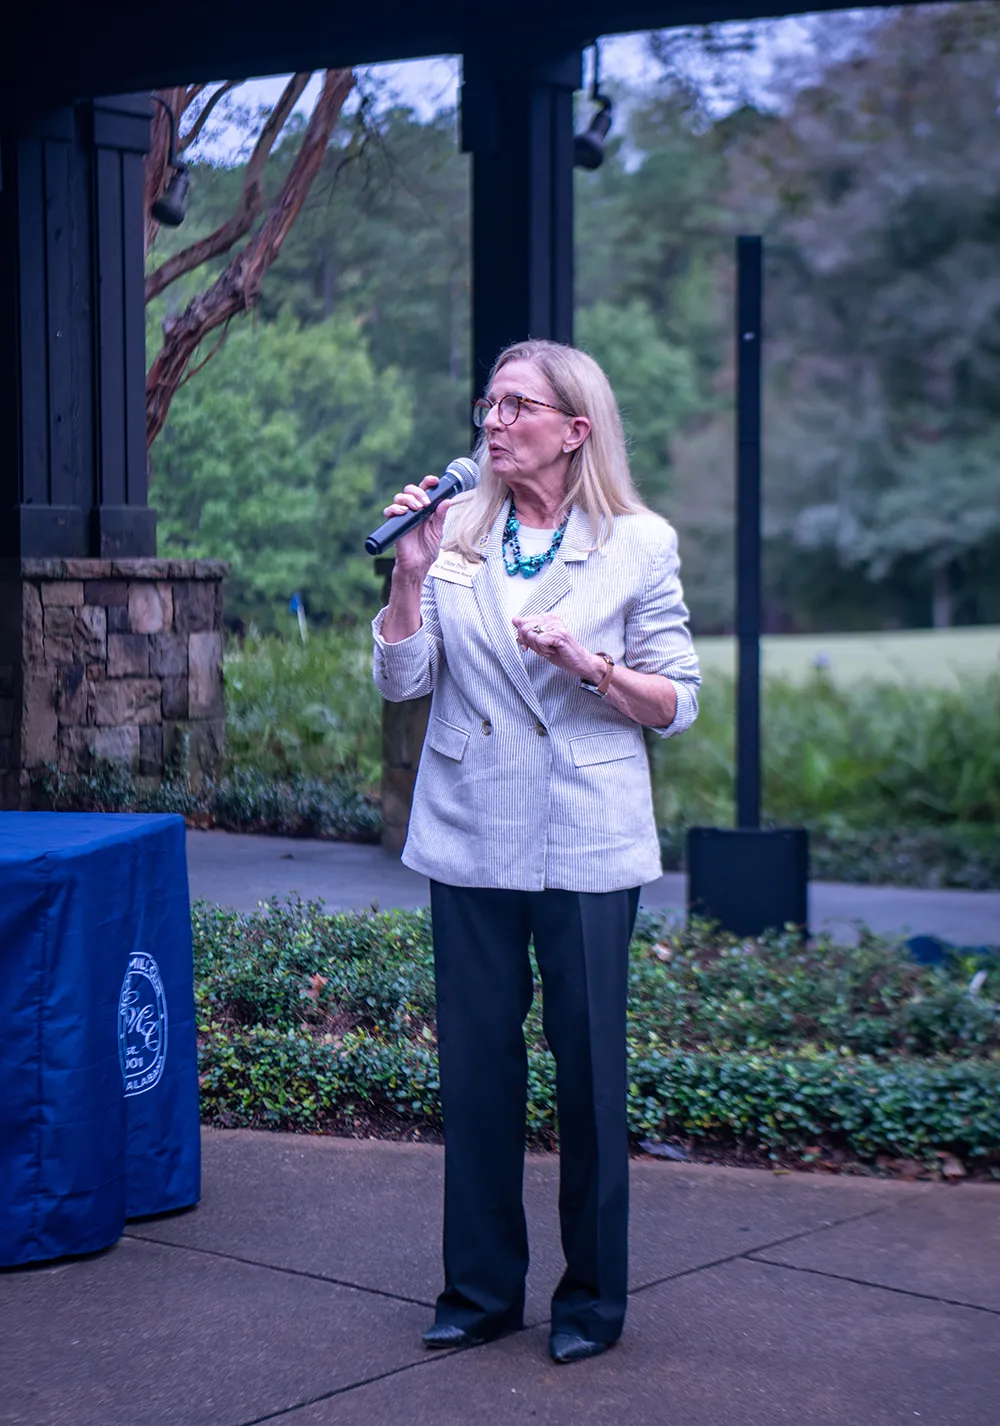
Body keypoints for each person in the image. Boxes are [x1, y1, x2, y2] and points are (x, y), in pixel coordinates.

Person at [371, 338, 701, 1365]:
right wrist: (408, 576)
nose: (494, 421)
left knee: (590, 1076)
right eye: (490, 403)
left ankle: (591, 1301)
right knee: (475, 1072)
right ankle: (478, 1293)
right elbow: (402, 682)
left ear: (574, 430)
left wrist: (591, 665)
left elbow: (676, 701)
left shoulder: (637, 542)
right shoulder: (456, 531)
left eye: (518, 405)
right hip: (471, 827)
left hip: (585, 834)